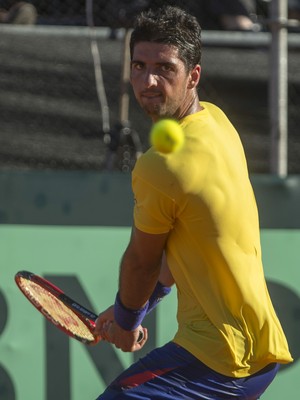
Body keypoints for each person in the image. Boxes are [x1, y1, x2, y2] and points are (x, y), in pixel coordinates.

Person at [94, 5, 293, 400]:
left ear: (193, 76)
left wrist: (128, 319)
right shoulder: (217, 121)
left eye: (165, 68)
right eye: (138, 65)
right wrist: (128, 313)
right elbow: (175, 256)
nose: (148, 80)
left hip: (217, 358)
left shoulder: (163, 165)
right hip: (255, 352)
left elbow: (143, 260)